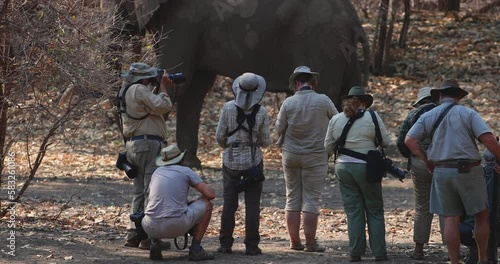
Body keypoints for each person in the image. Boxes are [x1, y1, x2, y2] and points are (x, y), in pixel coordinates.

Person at [405, 79, 500, 264]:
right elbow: (487, 138)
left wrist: (426, 160)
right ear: (458, 96)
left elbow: (409, 140)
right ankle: (482, 259)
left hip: (441, 170)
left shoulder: (428, 115)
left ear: (440, 95)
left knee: (450, 218)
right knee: (481, 214)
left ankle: (454, 261)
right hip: (469, 170)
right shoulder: (468, 114)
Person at [275, 66, 338, 252]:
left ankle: (295, 242)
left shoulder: (288, 103)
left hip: (291, 155)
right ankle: (311, 243)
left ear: (296, 83)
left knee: (292, 198)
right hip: (316, 155)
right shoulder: (323, 100)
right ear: (313, 82)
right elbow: (337, 121)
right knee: (311, 199)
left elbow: (279, 128)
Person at [324, 86, 390, 262]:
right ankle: (379, 252)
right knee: (374, 209)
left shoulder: (336, 119)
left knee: (353, 211)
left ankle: (355, 252)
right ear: (364, 102)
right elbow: (386, 142)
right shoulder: (373, 117)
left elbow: (328, 147)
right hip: (368, 167)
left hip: (343, 168)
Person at [215, 72, 272, 255]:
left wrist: (230, 146)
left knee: (229, 204)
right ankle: (252, 245)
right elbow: (265, 141)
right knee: (253, 205)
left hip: (230, 161)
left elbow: (219, 137)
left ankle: (225, 244)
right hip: (253, 162)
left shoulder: (227, 108)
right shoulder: (262, 112)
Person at [120, 62, 174, 249]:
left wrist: (156, 86)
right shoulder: (138, 89)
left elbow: (148, 107)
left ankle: (133, 234)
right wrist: (164, 88)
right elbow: (162, 106)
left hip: (135, 145)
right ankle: (150, 238)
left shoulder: (127, 90)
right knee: (152, 189)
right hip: (148, 144)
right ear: (144, 78)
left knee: (139, 191)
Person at [141, 144, 216, 261]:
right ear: (181, 159)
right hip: (175, 225)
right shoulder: (185, 171)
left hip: (149, 226)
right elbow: (210, 195)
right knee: (207, 204)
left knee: (157, 206)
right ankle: (196, 249)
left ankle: (155, 242)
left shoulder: (156, 172)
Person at [396, 87, 441, 259]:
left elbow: (402, 141)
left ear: (420, 101)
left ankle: (419, 249)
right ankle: (452, 249)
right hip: (442, 162)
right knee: (447, 206)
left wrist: (413, 156)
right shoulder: (443, 112)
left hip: (420, 162)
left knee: (422, 206)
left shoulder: (413, 115)